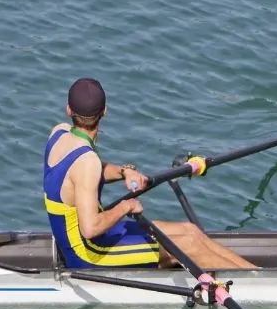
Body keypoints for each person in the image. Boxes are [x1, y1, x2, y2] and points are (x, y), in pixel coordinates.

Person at [42, 77, 255, 270]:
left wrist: (125, 172)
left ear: (69, 110)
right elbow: (90, 228)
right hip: (87, 254)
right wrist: (126, 206)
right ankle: (259, 286)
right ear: (104, 111)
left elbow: (81, 175)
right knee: (188, 246)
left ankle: (258, 275)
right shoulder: (88, 162)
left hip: (99, 237)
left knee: (190, 231)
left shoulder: (59, 133)